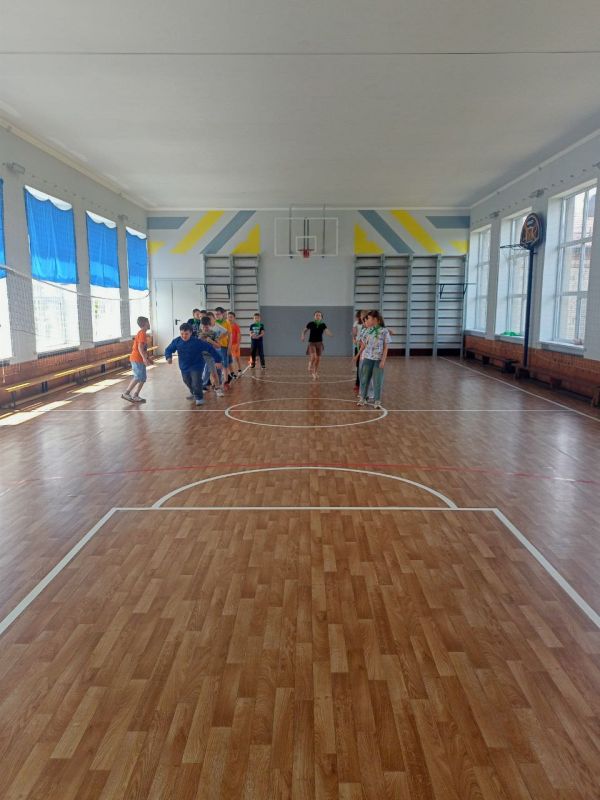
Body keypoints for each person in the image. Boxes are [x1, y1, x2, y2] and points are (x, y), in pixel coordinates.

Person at [165, 322, 223, 406]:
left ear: (191, 333)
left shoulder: (197, 342)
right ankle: (194, 392)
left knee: (196, 381)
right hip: (184, 366)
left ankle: (199, 398)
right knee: (186, 380)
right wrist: (168, 357)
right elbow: (169, 349)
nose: (184, 336)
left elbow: (210, 348)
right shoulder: (177, 341)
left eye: (186, 334)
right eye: (182, 334)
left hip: (197, 365)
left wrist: (218, 360)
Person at [354, 310, 390, 410]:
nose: (367, 320)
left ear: (375, 319)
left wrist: (383, 360)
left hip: (378, 360)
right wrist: (358, 355)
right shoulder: (366, 331)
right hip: (367, 358)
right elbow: (363, 344)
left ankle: (377, 400)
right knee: (364, 379)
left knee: (377, 380)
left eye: (368, 318)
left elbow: (386, 347)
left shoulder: (384, 331)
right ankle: (363, 398)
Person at [122, 316, 151, 403]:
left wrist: (147, 358)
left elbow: (143, 349)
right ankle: (126, 393)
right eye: (148, 322)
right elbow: (140, 347)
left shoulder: (143, 333)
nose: (149, 324)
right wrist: (144, 358)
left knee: (143, 378)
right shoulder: (142, 333)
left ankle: (136, 395)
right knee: (138, 377)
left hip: (140, 359)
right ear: (145, 323)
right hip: (136, 359)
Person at [198, 315, 226, 396]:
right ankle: (200, 388)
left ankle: (217, 388)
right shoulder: (198, 333)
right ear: (201, 326)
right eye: (203, 327)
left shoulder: (213, 333)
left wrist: (211, 341)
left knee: (213, 372)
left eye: (206, 327)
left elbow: (218, 346)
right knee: (198, 372)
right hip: (199, 355)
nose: (205, 329)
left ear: (210, 325)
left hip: (209, 356)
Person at [301, 310, 333, 379]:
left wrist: (330, 334)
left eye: (319, 315)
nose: (318, 316)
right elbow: (304, 331)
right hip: (312, 343)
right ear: (314, 317)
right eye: (316, 315)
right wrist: (302, 336)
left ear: (321, 317)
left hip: (319, 343)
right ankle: (310, 365)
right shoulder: (310, 323)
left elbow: (326, 331)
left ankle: (315, 372)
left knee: (318, 359)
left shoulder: (323, 325)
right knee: (313, 357)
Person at [214, 306, 234, 385]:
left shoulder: (227, 323)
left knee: (225, 364)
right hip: (216, 346)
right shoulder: (214, 323)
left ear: (222, 314)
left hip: (224, 347)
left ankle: (226, 380)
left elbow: (230, 336)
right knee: (217, 364)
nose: (216, 316)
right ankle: (219, 380)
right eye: (215, 314)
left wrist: (229, 347)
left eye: (218, 314)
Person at [352, 310, 364, 393]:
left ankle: (364, 384)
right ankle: (357, 384)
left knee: (363, 365)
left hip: (365, 344)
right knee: (358, 365)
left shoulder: (368, 323)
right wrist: (354, 339)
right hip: (358, 345)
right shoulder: (356, 323)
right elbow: (354, 333)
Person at [227, 311, 242, 376]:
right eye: (228, 317)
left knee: (237, 358)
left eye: (231, 317)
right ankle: (231, 372)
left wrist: (237, 345)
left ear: (234, 318)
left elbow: (239, 336)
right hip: (228, 345)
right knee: (229, 359)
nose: (229, 318)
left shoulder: (236, 326)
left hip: (235, 345)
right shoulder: (226, 325)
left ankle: (239, 370)